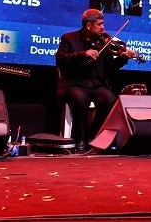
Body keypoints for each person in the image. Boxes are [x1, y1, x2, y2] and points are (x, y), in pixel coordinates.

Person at [56, 9, 140, 151]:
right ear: (89, 25)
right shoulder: (69, 38)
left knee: (110, 100)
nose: (103, 27)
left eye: (103, 24)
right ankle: (80, 139)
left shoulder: (103, 41)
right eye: (99, 24)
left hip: (97, 85)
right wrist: (83, 54)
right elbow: (61, 59)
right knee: (80, 99)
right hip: (76, 84)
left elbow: (110, 68)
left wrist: (123, 57)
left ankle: (94, 135)